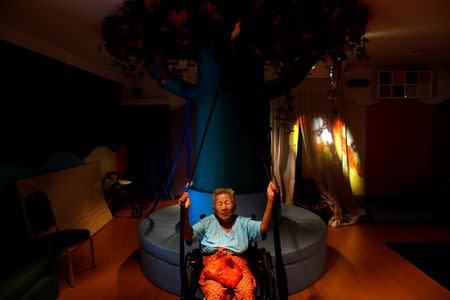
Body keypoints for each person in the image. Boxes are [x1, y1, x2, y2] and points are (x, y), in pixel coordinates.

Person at [178, 181, 278, 300]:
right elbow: (188, 237)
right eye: (220, 203)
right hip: (213, 270)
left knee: (246, 291)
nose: (224, 207)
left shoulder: (242, 222)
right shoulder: (207, 223)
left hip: (239, 269)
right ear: (214, 208)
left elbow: (263, 228)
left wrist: (271, 200)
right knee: (215, 293)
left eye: (227, 202)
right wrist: (185, 211)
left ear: (234, 206)